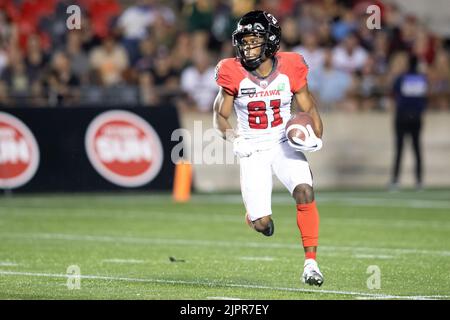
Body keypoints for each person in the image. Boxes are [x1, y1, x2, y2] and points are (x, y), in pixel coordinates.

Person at [213, 11, 324, 286]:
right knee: (265, 225)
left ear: (271, 41)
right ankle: (253, 219)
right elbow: (220, 115)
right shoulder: (231, 71)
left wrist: (317, 136)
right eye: (244, 41)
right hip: (252, 147)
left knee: (304, 191)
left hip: (283, 141)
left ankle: (311, 264)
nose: (247, 47)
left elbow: (308, 106)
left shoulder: (292, 66)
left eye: (254, 41)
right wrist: (234, 138)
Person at [390, 55, 427, 190]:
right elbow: (424, 97)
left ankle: (395, 180)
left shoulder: (402, 78)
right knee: (416, 149)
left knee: (399, 149)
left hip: (402, 116)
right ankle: (419, 181)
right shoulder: (422, 79)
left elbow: (393, 91)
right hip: (416, 117)